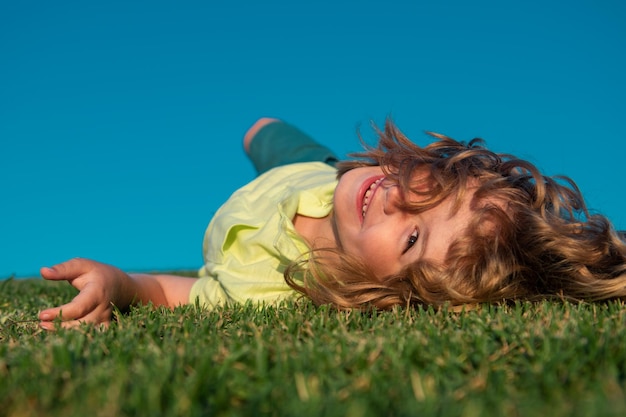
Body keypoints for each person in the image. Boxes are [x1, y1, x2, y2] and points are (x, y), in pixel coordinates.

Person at [37, 117, 626, 329]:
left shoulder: (265, 296)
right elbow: (375, 186)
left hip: (266, 202)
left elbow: (168, 291)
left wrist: (116, 284)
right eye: (432, 188)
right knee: (262, 128)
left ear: (386, 292)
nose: (399, 201)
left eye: (413, 237)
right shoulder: (361, 184)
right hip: (309, 171)